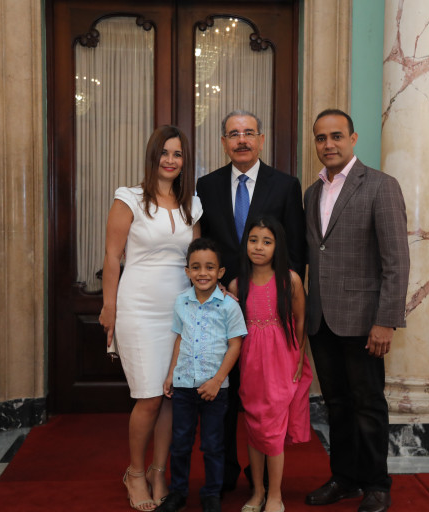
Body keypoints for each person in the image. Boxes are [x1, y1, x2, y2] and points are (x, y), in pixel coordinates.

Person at [303, 109, 409, 512]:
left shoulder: (381, 186)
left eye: (336, 136)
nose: (328, 144)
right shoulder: (311, 193)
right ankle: (344, 479)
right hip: (321, 320)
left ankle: (377, 484)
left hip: (365, 321)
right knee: (337, 405)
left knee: (368, 404)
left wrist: (386, 321)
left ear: (353, 138)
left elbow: (396, 261)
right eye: (321, 138)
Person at [196, 110, 305, 491]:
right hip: (221, 308)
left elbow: (295, 249)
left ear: (261, 139)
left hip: (269, 314)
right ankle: (224, 474)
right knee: (224, 397)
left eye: (248, 133)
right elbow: (204, 246)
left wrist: (286, 302)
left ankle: (267, 482)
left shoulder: (285, 185)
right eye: (233, 134)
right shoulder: (206, 186)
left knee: (266, 400)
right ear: (223, 142)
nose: (241, 140)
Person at [99, 125, 202, 511]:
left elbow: (198, 260)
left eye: (177, 154)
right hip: (138, 308)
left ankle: (160, 473)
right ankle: (136, 473)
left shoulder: (192, 205)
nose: (170, 160)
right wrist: (109, 307)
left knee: (170, 396)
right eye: (164, 152)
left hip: (179, 311)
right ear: (152, 155)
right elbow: (112, 256)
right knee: (149, 396)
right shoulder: (129, 198)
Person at [227, 216, 312, 512]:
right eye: (253, 240)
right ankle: (258, 491)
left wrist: (299, 358)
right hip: (251, 363)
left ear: (278, 246)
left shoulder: (290, 280)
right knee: (254, 425)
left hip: (282, 360)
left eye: (267, 241)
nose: (259, 247)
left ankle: (275, 494)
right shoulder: (237, 285)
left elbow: (300, 320)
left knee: (273, 428)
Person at [157, 238, 247, 512]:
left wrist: (218, 381)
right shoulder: (181, 302)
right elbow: (180, 338)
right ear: (187, 271)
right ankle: (178, 492)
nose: (203, 273)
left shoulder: (229, 306)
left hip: (214, 389)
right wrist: (171, 374)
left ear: (220, 272)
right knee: (180, 443)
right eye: (196, 267)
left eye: (209, 267)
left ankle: (211, 494)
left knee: (213, 444)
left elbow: (235, 345)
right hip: (184, 385)